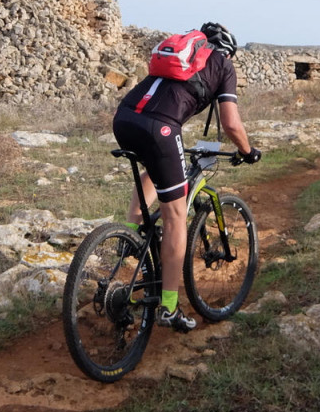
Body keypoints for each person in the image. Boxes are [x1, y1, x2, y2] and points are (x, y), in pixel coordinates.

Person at [112, 22, 261, 332]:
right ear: (228, 51)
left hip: (124, 118)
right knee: (175, 217)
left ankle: (129, 237)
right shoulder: (222, 64)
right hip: (161, 128)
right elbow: (231, 124)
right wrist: (247, 151)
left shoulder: (179, 58)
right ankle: (168, 307)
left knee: (153, 172)